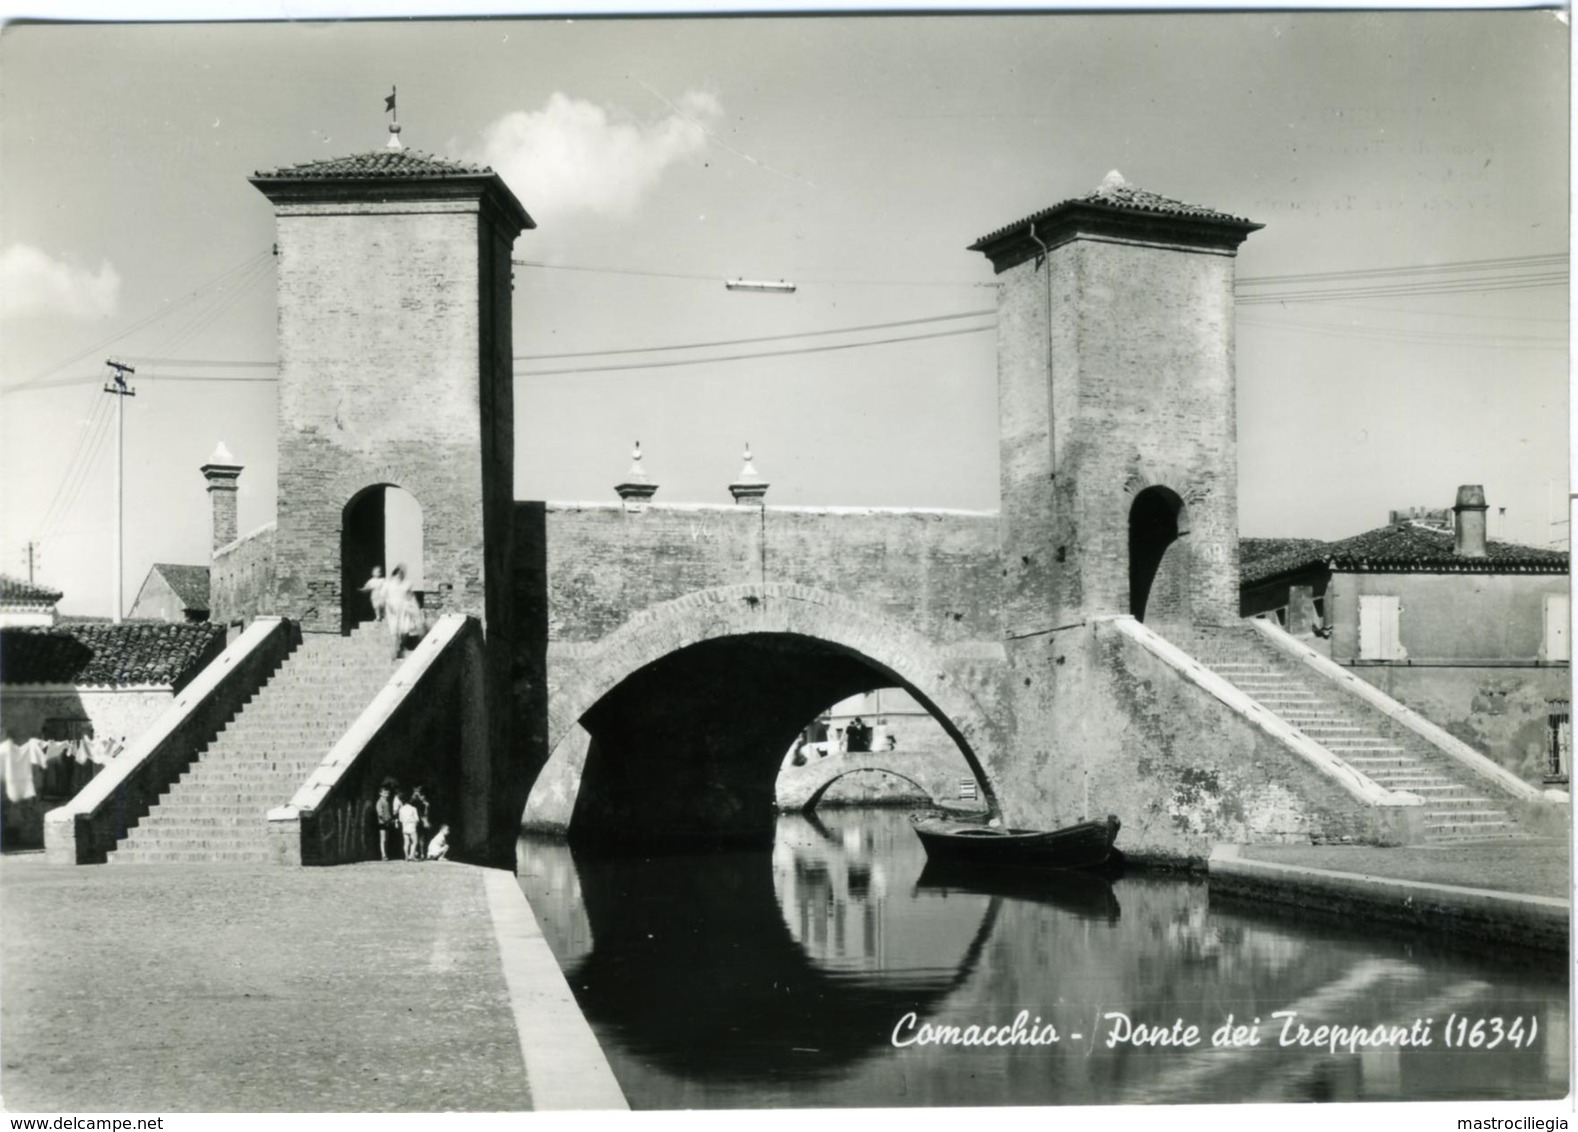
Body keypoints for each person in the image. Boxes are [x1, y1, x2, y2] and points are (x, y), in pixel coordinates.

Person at [383, 564, 423, 660]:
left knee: (404, 630)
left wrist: (415, 608)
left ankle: (402, 646)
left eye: (401, 574)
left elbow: (411, 596)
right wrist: (389, 605)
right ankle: (395, 652)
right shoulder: (388, 584)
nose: (399, 576)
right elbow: (384, 597)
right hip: (392, 610)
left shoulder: (406, 584)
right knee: (394, 631)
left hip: (404, 610)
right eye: (397, 574)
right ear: (394, 574)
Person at [373, 780, 396, 861]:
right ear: (380, 793)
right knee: (383, 839)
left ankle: (385, 853)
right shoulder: (379, 802)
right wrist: (386, 820)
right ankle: (383, 855)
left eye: (388, 793)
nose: (387, 794)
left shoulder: (387, 802)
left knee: (386, 839)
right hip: (382, 823)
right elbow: (380, 814)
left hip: (387, 823)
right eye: (385, 793)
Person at [397, 791, 421, 861]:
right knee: (415, 841)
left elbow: (400, 820)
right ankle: (412, 856)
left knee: (406, 842)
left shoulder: (401, 809)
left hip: (405, 827)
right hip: (412, 827)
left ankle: (406, 856)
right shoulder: (413, 809)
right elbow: (417, 819)